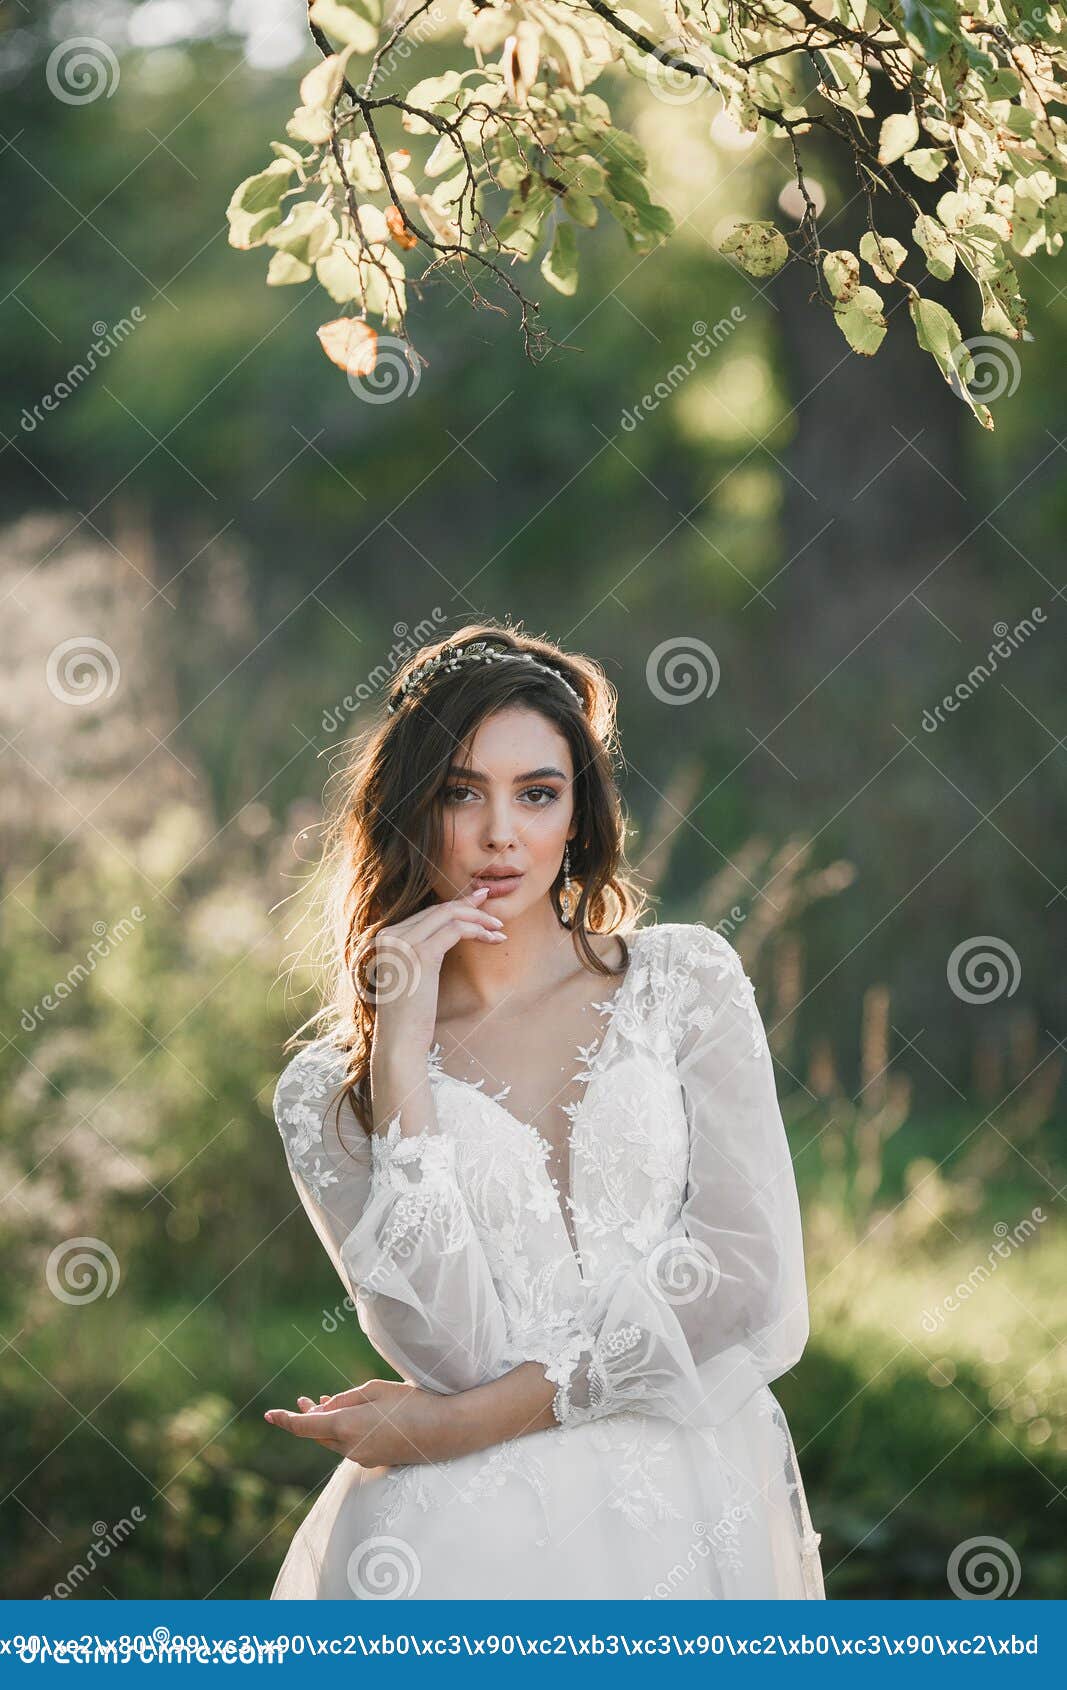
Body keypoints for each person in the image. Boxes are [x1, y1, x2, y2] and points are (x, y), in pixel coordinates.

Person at [265, 622, 825, 1600]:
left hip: (693, 1492)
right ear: (404, 810)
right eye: (457, 792)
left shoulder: (682, 981)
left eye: (536, 793)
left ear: (576, 815)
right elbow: (450, 1348)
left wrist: (466, 1423)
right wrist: (398, 1055)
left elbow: (743, 1276)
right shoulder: (329, 1090)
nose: (498, 834)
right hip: (459, 1542)